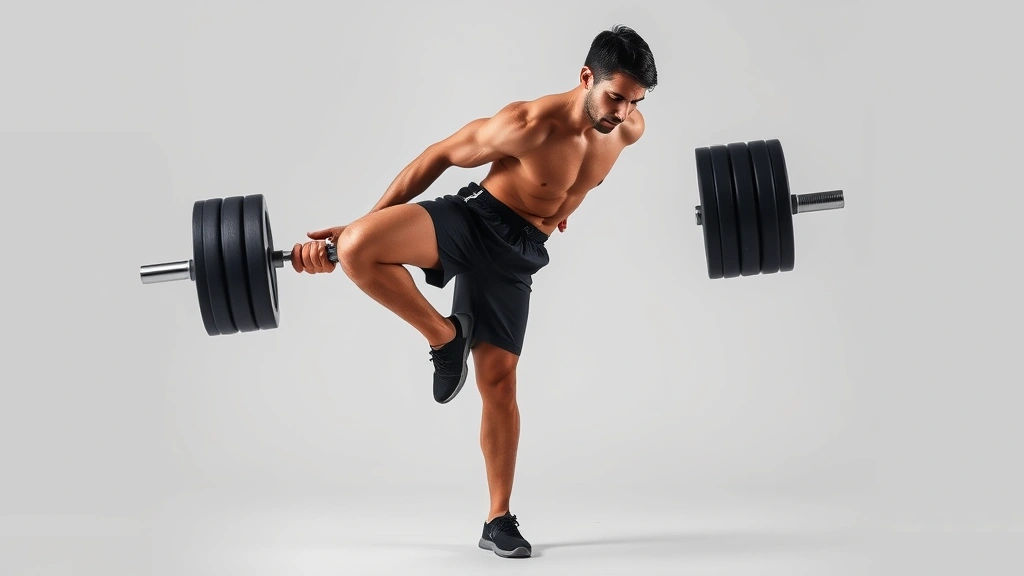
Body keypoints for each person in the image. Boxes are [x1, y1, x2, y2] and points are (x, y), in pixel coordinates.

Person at [290, 24, 657, 559]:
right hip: (476, 221)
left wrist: (560, 211)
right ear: (586, 77)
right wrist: (354, 227)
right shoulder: (525, 123)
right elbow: (435, 157)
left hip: (521, 253)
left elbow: (579, 179)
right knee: (358, 249)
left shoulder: (629, 130)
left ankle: (497, 519)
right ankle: (444, 336)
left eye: (634, 101)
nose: (622, 112)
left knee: (499, 383)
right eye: (615, 96)